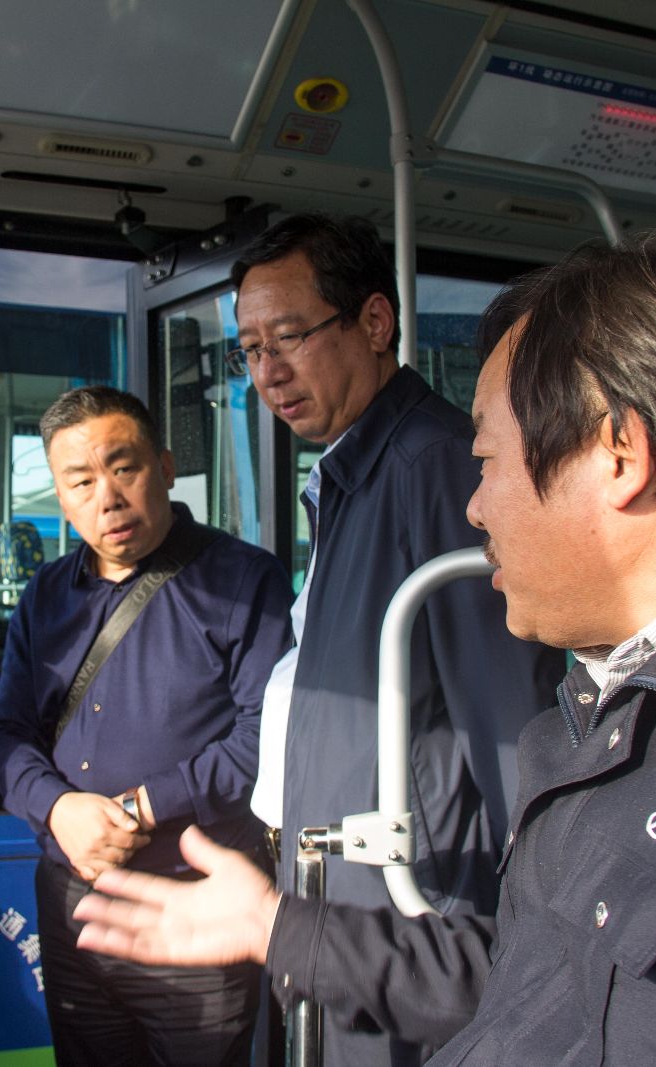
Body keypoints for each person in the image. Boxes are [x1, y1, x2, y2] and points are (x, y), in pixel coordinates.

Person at [72, 234, 656, 1064]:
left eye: (488, 461)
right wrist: (280, 926)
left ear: (619, 454)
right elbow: (531, 978)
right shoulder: (602, 712)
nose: (474, 507)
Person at [231, 214, 556, 1065]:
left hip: (418, 918)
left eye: (289, 337)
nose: (268, 372)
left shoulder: (434, 467)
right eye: (250, 349)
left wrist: (527, 944)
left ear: (374, 322)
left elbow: (512, 729)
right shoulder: (350, 474)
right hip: (347, 911)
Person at [0, 385, 293, 1066]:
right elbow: (4, 732)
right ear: (60, 497)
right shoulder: (45, 596)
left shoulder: (244, 580)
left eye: (124, 468)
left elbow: (268, 738)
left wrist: (139, 808)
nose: (108, 497)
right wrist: (58, 808)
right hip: (73, 906)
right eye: (81, 481)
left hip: (197, 906)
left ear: (166, 466)